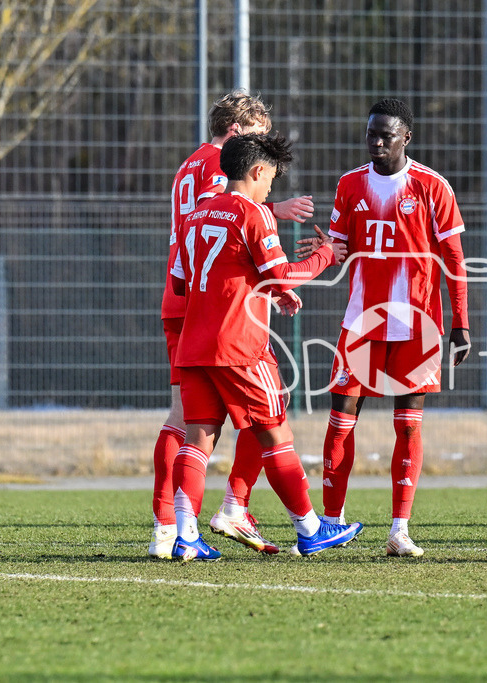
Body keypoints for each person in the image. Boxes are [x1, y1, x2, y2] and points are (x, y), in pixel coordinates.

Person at [168, 132, 362, 561]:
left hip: (195, 344)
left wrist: (262, 290)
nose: (271, 187)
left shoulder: (196, 214)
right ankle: (310, 529)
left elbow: (183, 281)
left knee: (198, 439)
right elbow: (284, 274)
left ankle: (185, 536)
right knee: (276, 433)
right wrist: (327, 254)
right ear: (257, 171)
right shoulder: (253, 214)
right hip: (240, 345)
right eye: (271, 178)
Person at [150, 90, 315, 560]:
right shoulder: (215, 166)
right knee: (213, 417)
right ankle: (186, 520)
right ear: (238, 134)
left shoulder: (188, 163)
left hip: (187, 294)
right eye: (259, 139)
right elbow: (217, 218)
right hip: (212, 304)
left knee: (196, 420)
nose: (264, 158)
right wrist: (270, 214)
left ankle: (186, 522)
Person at [304, 98, 471, 558]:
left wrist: (461, 324)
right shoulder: (350, 185)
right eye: (371, 134)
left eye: (386, 135)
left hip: (417, 325)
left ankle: (399, 529)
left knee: (409, 428)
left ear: (406, 138)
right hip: (360, 322)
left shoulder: (432, 187)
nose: (376, 142)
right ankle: (331, 524)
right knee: (340, 423)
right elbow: (339, 249)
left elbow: (455, 261)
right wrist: (322, 254)